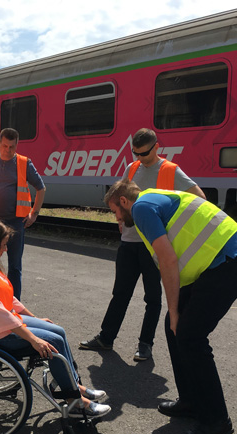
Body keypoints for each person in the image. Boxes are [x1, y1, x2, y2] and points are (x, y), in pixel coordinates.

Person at [104, 178, 237, 434]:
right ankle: (191, 401)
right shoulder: (153, 198)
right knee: (172, 327)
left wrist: (174, 310)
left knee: (189, 336)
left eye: (115, 210)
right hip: (220, 262)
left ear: (124, 202)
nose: (116, 217)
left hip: (231, 261)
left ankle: (216, 420)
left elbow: (168, 259)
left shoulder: (140, 209)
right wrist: (173, 314)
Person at [0, 218, 111, 418]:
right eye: (2, 245)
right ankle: (74, 401)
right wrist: (33, 338)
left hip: (2, 324)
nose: (5, 250)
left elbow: (9, 300)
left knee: (58, 331)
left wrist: (34, 318)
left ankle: (73, 385)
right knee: (52, 341)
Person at [80, 128, 206, 362]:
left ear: (156, 147)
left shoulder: (171, 171)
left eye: (144, 154)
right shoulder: (132, 168)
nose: (140, 158)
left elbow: (199, 198)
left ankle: (145, 344)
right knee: (120, 293)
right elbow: (121, 196)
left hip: (155, 246)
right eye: (135, 153)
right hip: (129, 242)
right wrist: (119, 218)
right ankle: (106, 338)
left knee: (153, 297)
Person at [0, 128, 46, 300]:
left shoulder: (24, 163)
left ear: (17, 145)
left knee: (15, 267)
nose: (7, 150)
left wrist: (34, 214)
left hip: (16, 222)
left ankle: (13, 304)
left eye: (11, 146)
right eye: (4, 146)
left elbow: (41, 188)